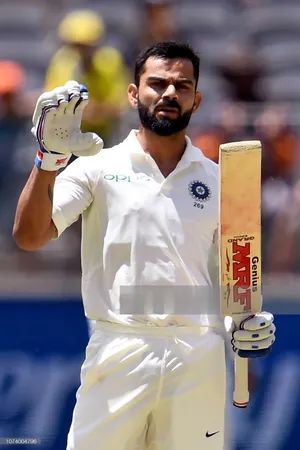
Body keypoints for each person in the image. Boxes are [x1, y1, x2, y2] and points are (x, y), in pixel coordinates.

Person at [13, 42, 276, 450]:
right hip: (120, 346)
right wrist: (48, 159)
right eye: (157, 83)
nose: (170, 93)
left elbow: (233, 279)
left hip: (198, 355)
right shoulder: (98, 168)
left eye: (182, 86)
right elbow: (29, 236)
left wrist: (243, 325)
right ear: (134, 94)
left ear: (197, 99)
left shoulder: (223, 181)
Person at [45, 9, 130, 144]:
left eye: (85, 46)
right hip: (68, 137)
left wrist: (91, 111)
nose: (80, 52)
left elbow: (121, 103)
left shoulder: (110, 61)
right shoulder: (62, 61)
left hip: (104, 138)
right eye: (75, 46)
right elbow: (52, 100)